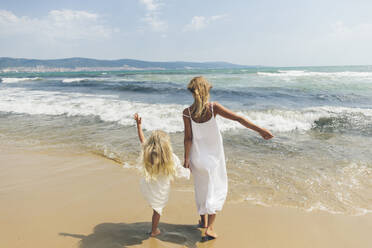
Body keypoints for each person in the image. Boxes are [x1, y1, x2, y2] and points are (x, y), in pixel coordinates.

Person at [182, 76, 273, 239]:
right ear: (206, 90)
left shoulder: (187, 113)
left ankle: (202, 221)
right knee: (216, 189)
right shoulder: (213, 107)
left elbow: (188, 138)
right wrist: (260, 130)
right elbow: (238, 118)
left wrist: (186, 159)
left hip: (196, 158)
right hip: (213, 159)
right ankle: (210, 227)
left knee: (201, 189)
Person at [134, 113, 190, 237]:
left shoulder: (148, 152)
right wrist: (189, 170)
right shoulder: (171, 157)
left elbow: (142, 140)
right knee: (158, 209)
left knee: (156, 206)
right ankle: (154, 231)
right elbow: (181, 172)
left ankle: (154, 229)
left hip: (150, 184)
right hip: (161, 188)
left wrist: (139, 126)